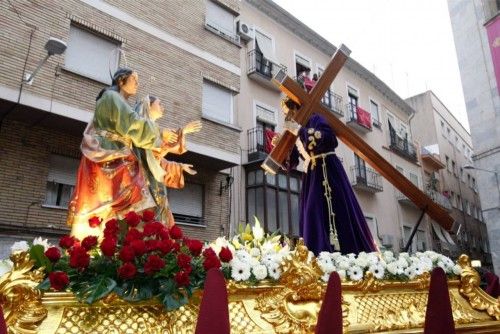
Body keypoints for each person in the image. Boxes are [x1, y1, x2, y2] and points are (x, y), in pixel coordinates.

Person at [67, 68, 190, 238]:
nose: (137, 84)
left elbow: (143, 140)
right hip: (108, 153)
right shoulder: (111, 97)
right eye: (134, 79)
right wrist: (160, 133)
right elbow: (132, 124)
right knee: (128, 198)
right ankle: (103, 240)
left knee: (137, 200)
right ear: (121, 80)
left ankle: (127, 240)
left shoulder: (119, 101)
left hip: (119, 153)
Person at [278, 88, 377, 255]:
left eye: (290, 112)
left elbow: (328, 138)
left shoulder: (316, 119)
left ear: (297, 108)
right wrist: (280, 150)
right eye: (287, 114)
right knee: (311, 215)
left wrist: (300, 130)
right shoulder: (296, 130)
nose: (289, 117)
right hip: (311, 176)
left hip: (327, 170)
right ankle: (315, 257)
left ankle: (341, 254)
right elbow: (292, 162)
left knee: (334, 212)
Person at [133, 95, 201, 225]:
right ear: (149, 106)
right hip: (142, 183)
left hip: (155, 185)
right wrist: (182, 131)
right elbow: (154, 151)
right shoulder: (142, 131)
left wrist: (180, 166)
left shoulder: (154, 131)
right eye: (159, 104)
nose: (163, 107)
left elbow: (158, 162)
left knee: (159, 219)